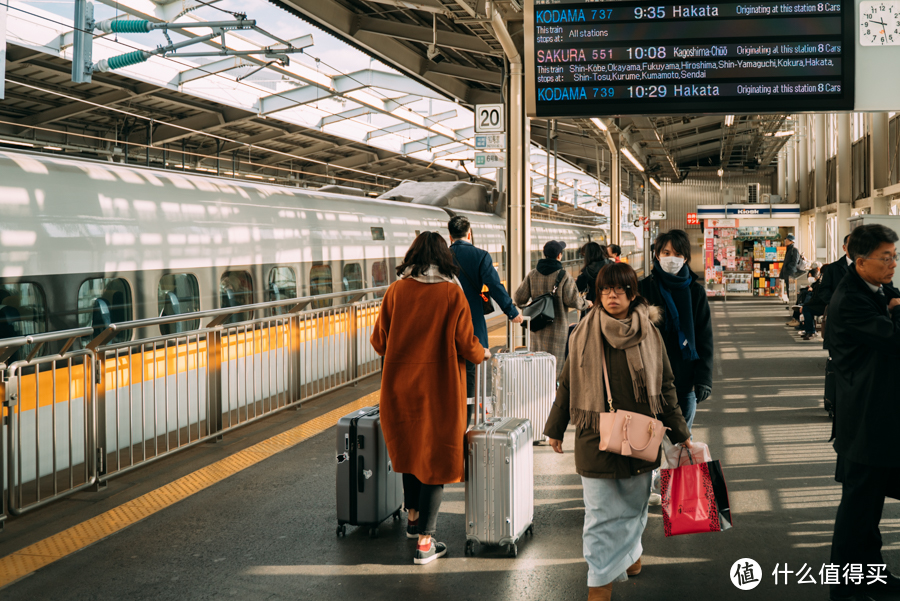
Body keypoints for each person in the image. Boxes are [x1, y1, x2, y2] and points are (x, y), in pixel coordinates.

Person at [544, 262, 692, 601]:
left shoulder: (649, 333)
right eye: (606, 290)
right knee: (598, 514)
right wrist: (554, 427)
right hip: (595, 434)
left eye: (621, 289)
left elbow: (666, 385)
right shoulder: (582, 332)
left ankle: (630, 553)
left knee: (634, 506)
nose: (613, 295)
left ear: (632, 293)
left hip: (640, 435)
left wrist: (681, 432)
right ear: (598, 294)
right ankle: (599, 580)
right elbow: (567, 383)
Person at [370, 231, 490, 566]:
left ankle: (412, 521)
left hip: (400, 388)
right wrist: (483, 353)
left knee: (410, 451)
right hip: (439, 390)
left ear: (412, 257)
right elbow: (468, 346)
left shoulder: (395, 291)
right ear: (444, 259)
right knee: (436, 458)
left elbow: (379, 341)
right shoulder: (452, 294)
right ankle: (426, 542)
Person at [826, 224, 900, 601]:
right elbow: (895, 340)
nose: (893, 264)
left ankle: (871, 575)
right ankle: (844, 587)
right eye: (885, 257)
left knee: (868, 508)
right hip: (864, 422)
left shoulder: (879, 289)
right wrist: (896, 313)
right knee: (858, 510)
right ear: (860, 261)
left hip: (881, 418)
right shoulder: (849, 300)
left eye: (894, 256)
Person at [447, 215, 522, 421]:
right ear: (469, 233)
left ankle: (450, 418)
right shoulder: (481, 256)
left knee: (447, 374)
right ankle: (467, 419)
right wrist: (512, 312)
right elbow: (495, 286)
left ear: (450, 235)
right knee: (470, 374)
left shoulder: (441, 256)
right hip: (472, 326)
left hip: (444, 326)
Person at [638, 230, 714, 431]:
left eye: (678, 254)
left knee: (680, 444)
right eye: (666, 252)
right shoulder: (643, 289)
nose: (671, 258)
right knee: (647, 446)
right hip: (649, 380)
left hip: (684, 379)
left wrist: (704, 379)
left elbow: (704, 336)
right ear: (657, 255)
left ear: (686, 258)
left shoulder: (695, 292)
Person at [514, 240, 590, 376]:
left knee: (538, 365)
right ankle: (553, 396)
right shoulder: (564, 275)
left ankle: (538, 394)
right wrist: (587, 303)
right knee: (554, 367)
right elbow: (573, 301)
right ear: (559, 255)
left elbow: (519, 299)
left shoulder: (533, 274)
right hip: (557, 329)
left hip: (537, 327)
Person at [576, 242, 612, 318]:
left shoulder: (587, 270)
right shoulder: (611, 265)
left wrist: (578, 280)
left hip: (593, 300)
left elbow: (578, 287)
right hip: (610, 297)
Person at [779, 233, 801, 303]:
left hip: (791, 273)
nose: (785, 241)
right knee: (788, 289)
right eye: (785, 239)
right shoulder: (788, 250)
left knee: (791, 289)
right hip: (787, 273)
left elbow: (795, 262)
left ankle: (793, 303)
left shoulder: (794, 250)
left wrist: (788, 266)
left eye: (787, 240)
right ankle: (791, 304)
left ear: (792, 241)